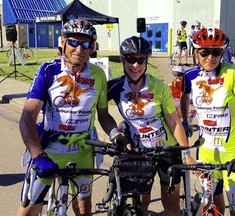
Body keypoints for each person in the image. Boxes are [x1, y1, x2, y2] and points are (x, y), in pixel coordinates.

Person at [16, 19, 130, 216]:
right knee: (27, 211)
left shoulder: (98, 75)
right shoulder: (48, 70)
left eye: (85, 43)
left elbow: (103, 114)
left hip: (82, 151)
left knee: (84, 210)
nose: (79, 49)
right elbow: (27, 117)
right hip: (49, 150)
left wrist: (115, 133)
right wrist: (37, 155)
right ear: (62, 42)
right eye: (73, 42)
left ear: (92, 47)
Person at [107, 36, 196, 216]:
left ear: (147, 62)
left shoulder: (159, 87)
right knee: (141, 204)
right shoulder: (114, 87)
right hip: (137, 151)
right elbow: (101, 112)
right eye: (131, 59)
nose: (136, 65)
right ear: (123, 60)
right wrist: (114, 132)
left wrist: (186, 153)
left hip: (166, 149)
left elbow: (173, 121)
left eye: (141, 60)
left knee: (171, 204)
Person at [180, 28, 235, 215]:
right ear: (196, 52)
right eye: (205, 52)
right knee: (213, 205)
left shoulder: (233, 73)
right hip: (206, 153)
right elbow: (184, 97)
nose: (210, 57)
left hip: (234, 153)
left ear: (223, 53)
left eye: (216, 52)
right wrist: (185, 122)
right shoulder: (190, 76)